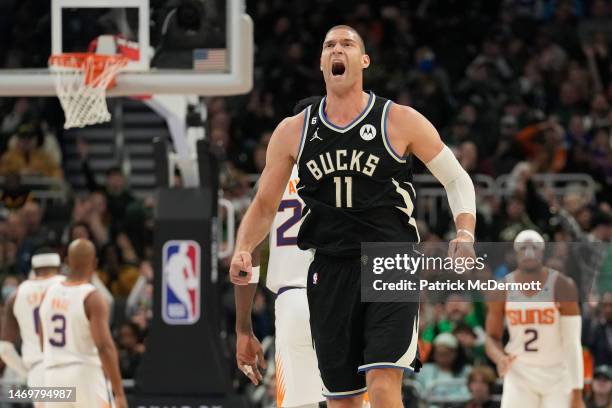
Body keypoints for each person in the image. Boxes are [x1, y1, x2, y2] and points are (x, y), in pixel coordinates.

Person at [230, 25, 476, 407]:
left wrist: (465, 232)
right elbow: (264, 205)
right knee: (342, 400)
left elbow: (456, 178)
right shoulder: (293, 131)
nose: (336, 50)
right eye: (329, 45)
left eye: (347, 44)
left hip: (389, 259)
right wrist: (244, 246)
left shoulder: (398, 119)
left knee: (381, 384)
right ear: (322, 62)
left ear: (364, 60)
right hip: (329, 268)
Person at [485, 230, 584, 408]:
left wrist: (577, 391)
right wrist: (500, 358)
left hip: (557, 374)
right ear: (515, 253)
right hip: (519, 373)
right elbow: (491, 337)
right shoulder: (502, 289)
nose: (529, 252)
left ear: (543, 251)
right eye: (523, 247)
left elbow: (572, 342)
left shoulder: (563, 285)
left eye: (534, 247)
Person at [38, 239, 126, 408]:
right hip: (85, 374)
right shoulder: (92, 297)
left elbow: (43, 343)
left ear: (67, 262)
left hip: (52, 374)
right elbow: (104, 347)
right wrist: (119, 393)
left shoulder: (48, 293)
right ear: (95, 264)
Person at [0, 247, 65, 388]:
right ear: (59, 268)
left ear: (33, 270)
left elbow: (4, 348)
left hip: (39, 372)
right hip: (72, 367)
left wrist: (27, 373)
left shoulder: (16, 295)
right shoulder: (71, 286)